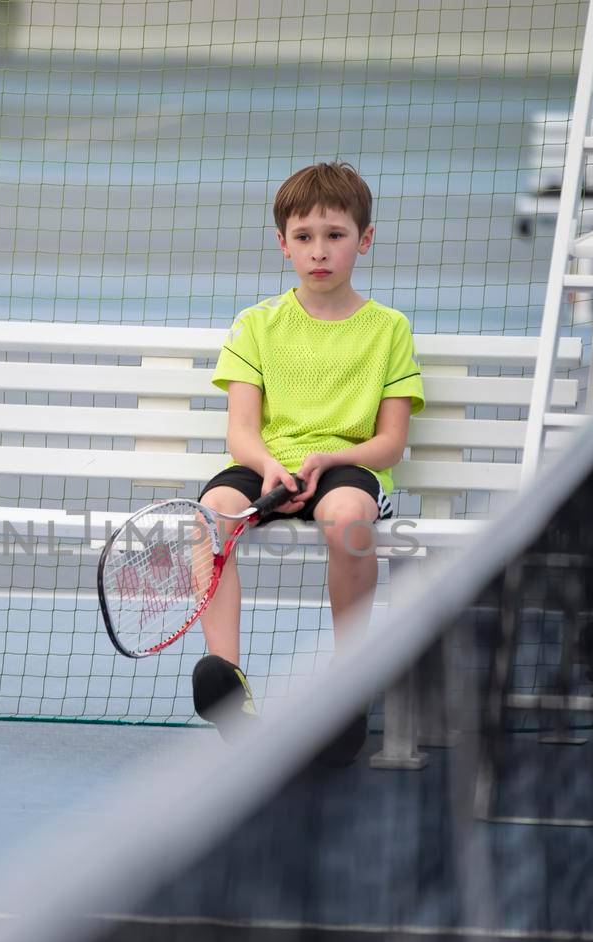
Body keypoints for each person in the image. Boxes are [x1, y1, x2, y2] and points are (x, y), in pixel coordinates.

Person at [192, 161, 424, 765]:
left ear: (364, 239)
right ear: (283, 244)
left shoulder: (389, 329)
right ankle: (229, 682)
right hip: (267, 466)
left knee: (347, 516)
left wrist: (329, 460)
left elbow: (390, 443)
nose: (319, 251)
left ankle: (347, 686)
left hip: (348, 465)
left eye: (335, 235)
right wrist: (270, 467)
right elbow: (241, 431)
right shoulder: (256, 325)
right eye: (304, 237)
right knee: (213, 512)